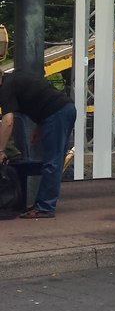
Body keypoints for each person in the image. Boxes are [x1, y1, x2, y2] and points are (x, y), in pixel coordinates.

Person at [0, 69, 77, 219]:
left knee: (52, 161)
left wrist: (1, 150)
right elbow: (40, 97)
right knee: (53, 160)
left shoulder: (6, 88)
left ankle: (45, 207)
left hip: (57, 113)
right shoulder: (15, 78)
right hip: (58, 111)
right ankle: (42, 204)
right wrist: (40, 126)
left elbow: (8, 122)